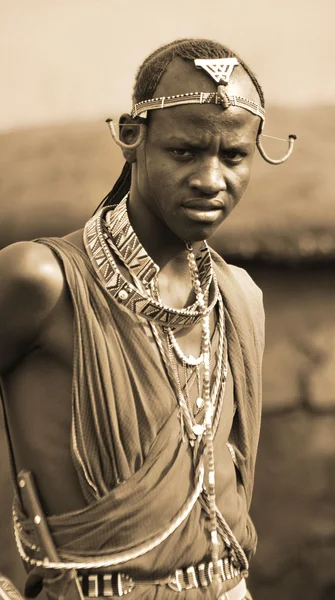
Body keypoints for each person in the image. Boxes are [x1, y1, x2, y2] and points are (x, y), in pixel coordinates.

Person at [0, 38, 295, 600]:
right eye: (185, 152)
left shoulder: (238, 299)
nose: (212, 178)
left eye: (233, 156)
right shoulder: (41, 281)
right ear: (132, 139)